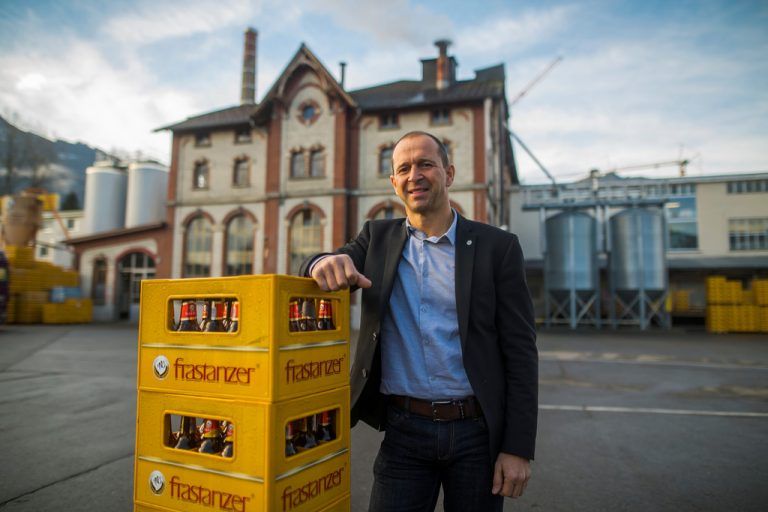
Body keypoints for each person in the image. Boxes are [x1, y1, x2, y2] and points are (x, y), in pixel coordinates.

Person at [301, 131, 537, 511]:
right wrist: (320, 262)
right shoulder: (376, 239)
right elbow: (322, 263)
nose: (415, 175)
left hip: (477, 434)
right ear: (394, 182)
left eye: (426, 164)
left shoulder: (498, 247)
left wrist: (517, 448)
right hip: (403, 433)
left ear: (449, 172)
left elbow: (521, 352)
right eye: (404, 168)